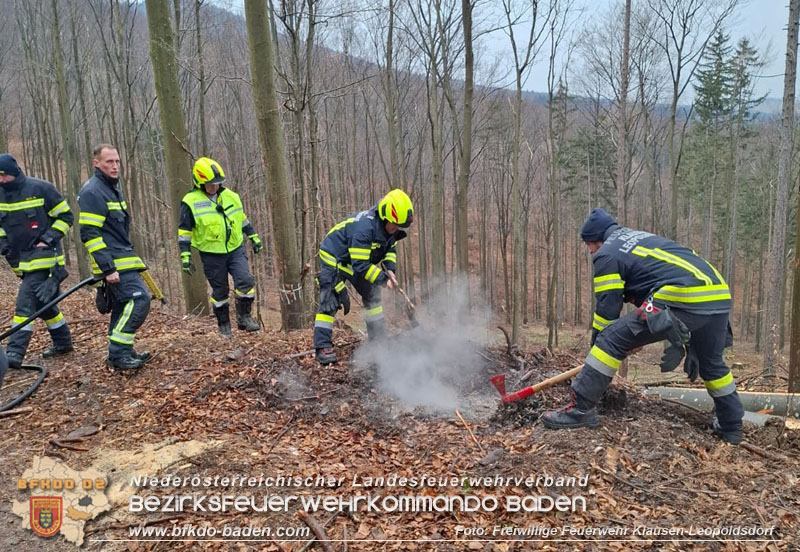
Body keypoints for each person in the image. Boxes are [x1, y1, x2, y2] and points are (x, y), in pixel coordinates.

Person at [542, 208, 745, 444]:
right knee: (712, 363)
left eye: (588, 244)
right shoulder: (639, 239)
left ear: (597, 239)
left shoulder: (607, 254)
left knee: (609, 338)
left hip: (683, 296)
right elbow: (658, 279)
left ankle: (580, 410)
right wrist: (690, 340)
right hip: (718, 296)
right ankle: (731, 427)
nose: (589, 251)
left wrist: (598, 346)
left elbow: (607, 311)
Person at [313, 189, 413, 364]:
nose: (396, 229)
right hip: (334, 258)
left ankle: (377, 340)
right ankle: (322, 347)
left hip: (354, 261)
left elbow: (390, 249)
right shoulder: (364, 229)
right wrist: (384, 280)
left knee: (372, 294)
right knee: (330, 300)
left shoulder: (389, 229)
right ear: (385, 217)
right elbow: (360, 265)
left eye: (399, 226)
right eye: (394, 225)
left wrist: (390, 269)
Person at [78, 144, 151, 371]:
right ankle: (119, 353)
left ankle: (122, 352)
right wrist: (107, 268)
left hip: (123, 258)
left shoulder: (111, 189)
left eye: (117, 161)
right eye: (109, 161)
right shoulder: (93, 191)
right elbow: (89, 234)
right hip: (112, 262)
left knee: (123, 303)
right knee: (139, 300)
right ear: (96, 163)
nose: (115, 166)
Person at [0, 153, 74, 368]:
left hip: (46, 259)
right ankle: (63, 342)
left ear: (14, 172)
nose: (1, 180)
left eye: (3, 175)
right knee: (43, 304)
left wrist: (48, 238)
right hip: (19, 260)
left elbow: (66, 217)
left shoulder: (41, 188)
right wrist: (3, 245)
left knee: (24, 305)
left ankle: (14, 353)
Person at [178, 157, 263, 337]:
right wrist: (185, 256)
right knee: (220, 290)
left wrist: (253, 236)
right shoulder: (190, 202)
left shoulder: (231, 196)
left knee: (245, 281)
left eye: (217, 184)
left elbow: (241, 219)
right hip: (211, 254)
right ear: (200, 183)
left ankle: (244, 317)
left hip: (235, 248)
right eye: (210, 184)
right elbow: (184, 232)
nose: (214, 187)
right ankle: (223, 325)